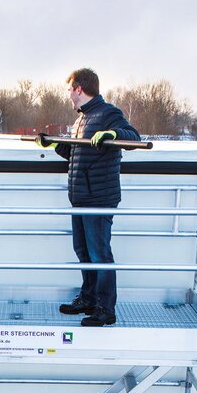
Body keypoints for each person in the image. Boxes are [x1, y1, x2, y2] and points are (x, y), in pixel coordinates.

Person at [46, 68, 140, 327]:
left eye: (69, 90)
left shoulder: (108, 113)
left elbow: (133, 137)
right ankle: (88, 298)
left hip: (99, 196)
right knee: (83, 251)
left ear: (78, 88)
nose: (68, 95)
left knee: (99, 254)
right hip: (80, 197)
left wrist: (113, 134)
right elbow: (78, 156)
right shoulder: (82, 120)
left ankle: (105, 309)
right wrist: (55, 144)